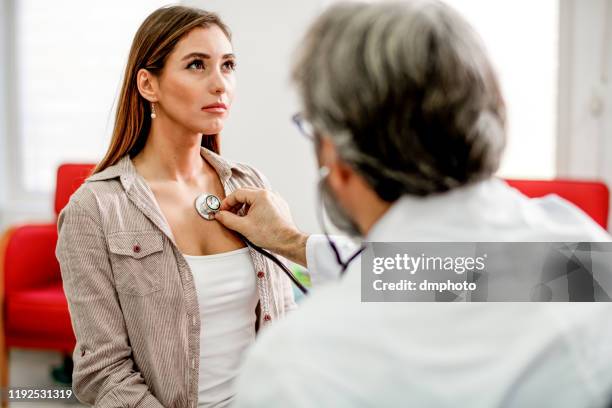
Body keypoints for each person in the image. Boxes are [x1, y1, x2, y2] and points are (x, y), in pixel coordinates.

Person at [212, 1, 612, 406]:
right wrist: (291, 241)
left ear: (338, 158)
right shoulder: (582, 254)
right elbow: (458, 272)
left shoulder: (297, 366)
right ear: (493, 114)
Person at [55, 6, 296, 408]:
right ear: (148, 84)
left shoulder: (252, 185)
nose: (220, 84)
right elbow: (103, 373)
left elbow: (285, 326)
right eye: (197, 65)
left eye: (228, 65)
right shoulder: (94, 209)